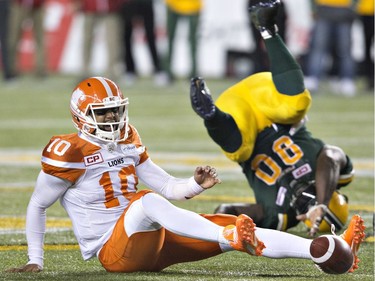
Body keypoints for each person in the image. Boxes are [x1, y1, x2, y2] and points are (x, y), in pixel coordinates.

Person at [5, 75, 364, 272]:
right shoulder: (70, 151)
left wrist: (194, 184)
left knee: (242, 228)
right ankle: (232, 235)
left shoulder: (128, 140)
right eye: (105, 114)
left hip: (151, 240)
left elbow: (166, 185)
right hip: (112, 252)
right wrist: (35, 259)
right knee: (146, 203)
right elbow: (37, 205)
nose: (114, 120)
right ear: (82, 116)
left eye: (116, 112)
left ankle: (327, 251)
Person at [190, 0, 355, 237]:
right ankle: (268, 29)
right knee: (296, 105)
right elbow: (331, 157)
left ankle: (209, 114)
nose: (305, 200)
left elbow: (228, 211)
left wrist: (225, 227)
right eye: (315, 200)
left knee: (241, 151)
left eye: (307, 208)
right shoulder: (329, 169)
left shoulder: (280, 213)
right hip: (268, 102)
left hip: (235, 118)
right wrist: (321, 201)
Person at [304, 0, 357, 96]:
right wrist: (314, 8)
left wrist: (353, 8)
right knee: (318, 47)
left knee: (345, 49)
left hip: (344, 11)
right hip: (324, 10)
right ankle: (313, 77)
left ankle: (347, 79)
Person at [119, 0, 167, 86]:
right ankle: (130, 70)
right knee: (127, 36)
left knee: (150, 36)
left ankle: (158, 70)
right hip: (128, 3)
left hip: (146, 2)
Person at [75, 0, 123, 80]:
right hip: (90, 7)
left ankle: (112, 71)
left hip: (111, 8)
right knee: (87, 40)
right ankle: (85, 70)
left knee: (113, 41)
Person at [164, 0, 202, 81]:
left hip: (193, 5)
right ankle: (167, 71)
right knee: (169, 40)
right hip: (173, 4)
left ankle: (194, 71)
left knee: (193, 40)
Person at [8, 0, 47, 78]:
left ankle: (40, 69)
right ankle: (12, 68)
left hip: (37, 5)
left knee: (40, 38)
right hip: (19, 4)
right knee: (14, 37)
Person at [356, 0, 374, 91]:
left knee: (367, 48)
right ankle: (370, 80)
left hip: (368, 10)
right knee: (367, 48)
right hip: (366, 11)